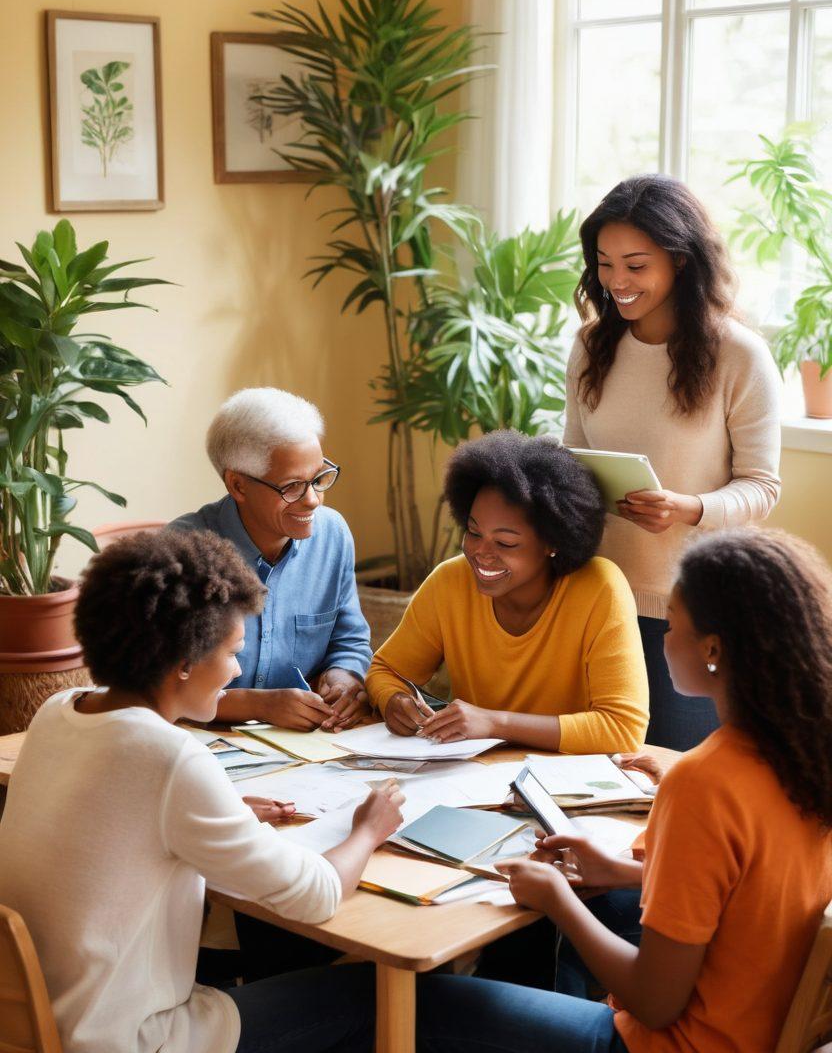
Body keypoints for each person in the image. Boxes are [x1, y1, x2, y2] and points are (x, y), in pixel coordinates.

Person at [416, 528, 832, 1053]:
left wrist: (557, 900)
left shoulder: (703, 783)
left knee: (425, 1012)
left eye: (675, 624)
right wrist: (631, 870)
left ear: (713, 649)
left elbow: (655, 1002)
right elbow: (762, 886)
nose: (663, 638)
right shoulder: (805, 753)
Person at [0, 530, 403, 1053]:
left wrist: (213, 816)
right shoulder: (171, 758)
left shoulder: (59, 711)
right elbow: (318, 894)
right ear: (183, 662)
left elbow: (110, 818)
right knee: (360, 994)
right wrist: (367, 829)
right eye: (233, 650)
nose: (238, 668)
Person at [564, 175, 781, 751]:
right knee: (595, 773)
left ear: (681, 261)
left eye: (636, 265)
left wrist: (691, 509)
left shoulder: (739, 355)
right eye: (605, 264)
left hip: (691, 606)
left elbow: (761, 486)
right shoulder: (591, 346)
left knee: (669, 773)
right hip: (598, 594)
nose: (617, 282)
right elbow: (572, 457)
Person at [366, 430, 649, 755]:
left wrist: (495, 724)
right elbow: (386, 670)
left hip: (564, 785)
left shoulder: (600, 588)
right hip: (473, 778)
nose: (481, 553)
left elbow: (623, 729)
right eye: (473, 532)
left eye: (506, 543)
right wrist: (394, 700)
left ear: (552, 543)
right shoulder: (450, 582)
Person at [171, 386, 372, 734]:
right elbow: (162, 685)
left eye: (319, 478)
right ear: (238, 486)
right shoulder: (181, 552)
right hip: (202, 741)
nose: (313, 500)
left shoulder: (333, 535)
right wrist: (260, 705)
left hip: (307, 744)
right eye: (293, 486)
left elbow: (350, 640)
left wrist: (343, 677)